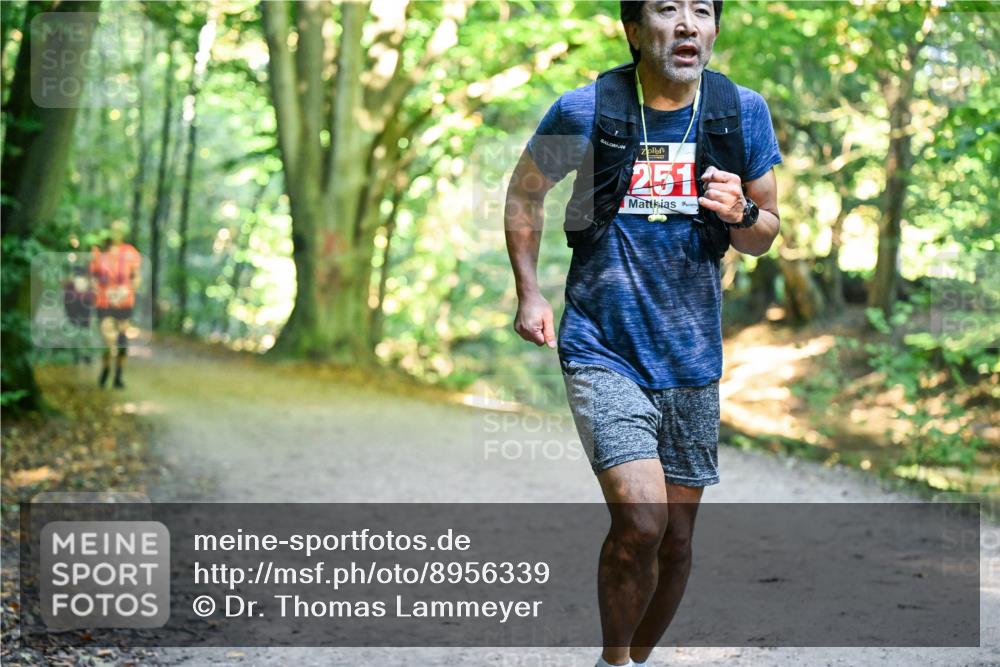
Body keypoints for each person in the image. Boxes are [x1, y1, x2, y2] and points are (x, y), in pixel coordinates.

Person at [504, 2, 782, 665]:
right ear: (634, 30)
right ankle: (615, 659)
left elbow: (765, 231)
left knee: (677, 540)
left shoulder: (740, 112)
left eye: (701, 11)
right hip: (603, 348)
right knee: (642, 521)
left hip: (691, 358)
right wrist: (530, 290)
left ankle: (632, 659)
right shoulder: (585, 109)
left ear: (714, 30)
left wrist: (741, 209)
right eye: (667, 8)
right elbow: (525, 193)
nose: (686, 24)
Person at [89, 220, 142, 389]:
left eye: (119, 230)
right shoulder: (99, 252)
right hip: (105, 302)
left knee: (121, 340)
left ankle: (118, 376)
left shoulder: (131, 252)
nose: (116, 233)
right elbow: (93, 277)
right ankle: (105, 370)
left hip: (124, 302)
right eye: (113, 230)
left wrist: (128, 290)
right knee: (107, 339)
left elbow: (137, 277)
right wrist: (98, 290)